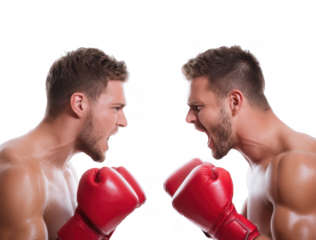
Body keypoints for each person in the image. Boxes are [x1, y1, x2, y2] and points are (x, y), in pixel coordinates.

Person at [162, 44, 316, 239]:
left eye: (198, 107)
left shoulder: (297, 167)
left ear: (234, 102)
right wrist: (216, 226)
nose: (188, 118)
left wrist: (224, 225)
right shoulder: (259, 168)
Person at [0, 46, 147, 240]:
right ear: (79, 104)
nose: (123, 121)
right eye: (116, 108)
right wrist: (88, 230)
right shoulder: (20, 175)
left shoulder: (67, 170)